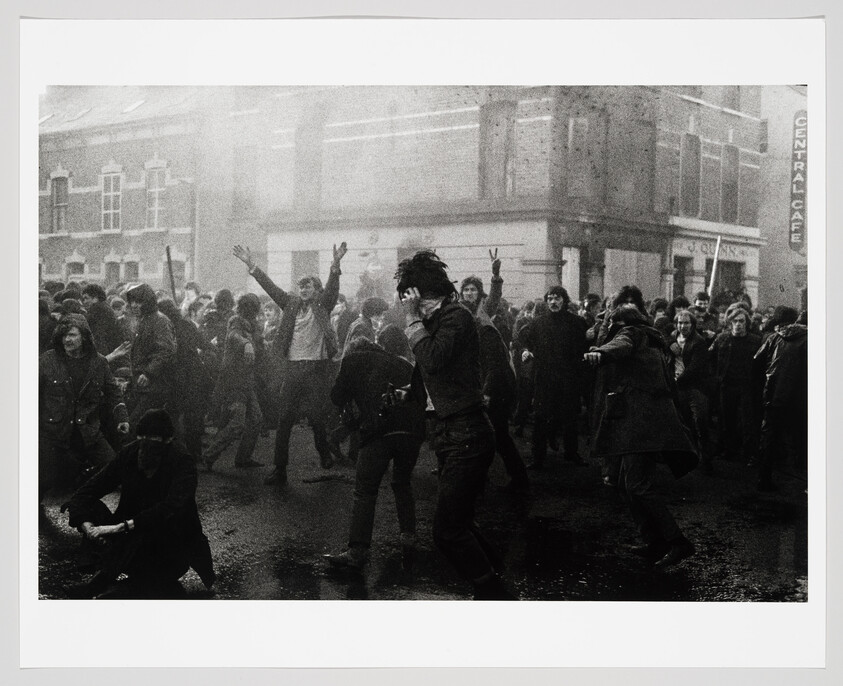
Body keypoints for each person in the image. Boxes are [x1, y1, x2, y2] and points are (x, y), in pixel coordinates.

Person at [396, 250, 516, 600]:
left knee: (447, 531)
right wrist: (410, 393)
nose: (414, 308)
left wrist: (412, 319)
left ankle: (492, 592)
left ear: (428, 295)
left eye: (416, 301)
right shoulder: (437, 320)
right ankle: (494, 579)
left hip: (467, 432)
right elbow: (433, 373)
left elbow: (433, 358)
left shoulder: (457, 316)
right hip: (450, 431)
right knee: (460, 522)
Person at [585, 304, 698, 569]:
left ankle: (678, 542)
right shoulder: (652, 338)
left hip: (641, 423)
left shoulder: (631, 333)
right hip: (647, 421)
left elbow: (620, 345)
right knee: (628, 485)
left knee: (637, 485)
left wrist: (600, 352)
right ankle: (654, 541)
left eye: (610, 323)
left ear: (620, 323)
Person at [62, 409, 215, 599]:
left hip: (170, 549)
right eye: (142, 438)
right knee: (91, 508)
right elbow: (90, 489)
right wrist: (88, 526)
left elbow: (171, 507)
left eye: (153, 439)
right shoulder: (130, 453)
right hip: (129, 545)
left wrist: (118, 527)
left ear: (168, 440)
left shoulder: (181, 460)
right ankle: (113, 577)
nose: (146, 445)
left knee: (145, 526)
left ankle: (100, 585)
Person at [234, 242, 347, 486]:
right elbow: (271, 287)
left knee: (316, 415)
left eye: (308, 286)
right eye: (301, 286)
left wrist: (335, 264)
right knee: (284, 418)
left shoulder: (323, 304)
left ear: (317, 290)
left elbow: (332, 288)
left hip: (316, 368)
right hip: (293, 368)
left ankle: (324, 451)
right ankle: (280, 469)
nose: (303, 289)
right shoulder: (290, 304)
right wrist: (251, 265)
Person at [323, 336, 425, 570]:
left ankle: (357, 551)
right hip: (412, 431)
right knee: (402, 482)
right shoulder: (402, 363)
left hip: (379, 431)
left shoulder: (352, 360)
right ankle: (408, 536)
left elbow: (336, 396)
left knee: (365, 490)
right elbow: (418, 394)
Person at [39, 314, 130, 502]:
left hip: (87, 431)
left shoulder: (98, 362)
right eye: (64, 335)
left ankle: (84, 484)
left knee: (115, 469)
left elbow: (113, 392)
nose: (67, 339)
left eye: (72, 335)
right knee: (47, 483)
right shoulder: (47, 360)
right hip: (54, 433)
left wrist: (122, 418)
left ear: (84, 337)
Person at [520, 286, 588, 469]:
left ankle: (572, 453)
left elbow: (584, 348)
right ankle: (538, 457)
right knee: (540, 418)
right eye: (550, 298)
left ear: (564, 300)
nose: (553, 302)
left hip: (568, 378)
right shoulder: (538, 323)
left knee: (570, 418)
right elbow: (527, 343)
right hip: (545, 378)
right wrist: (526, 351)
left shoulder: (577, 322)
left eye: (557, 298)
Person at [202, 293, 265, 471]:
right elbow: (233, 336)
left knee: (256, 419)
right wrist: (246, 344)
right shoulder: (236, 321)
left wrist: (260, 344)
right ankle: (209, 456)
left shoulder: (253, 325)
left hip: (247, 381)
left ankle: (243, 458)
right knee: (238, 423)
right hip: (234, 381)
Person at [753, 306, 807, 491]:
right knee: (801, 438)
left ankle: (763, 478)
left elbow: (757, 361)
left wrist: (765, 383)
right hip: (799, 398)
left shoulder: (774, 338)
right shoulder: (808, 339)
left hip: (773, 395)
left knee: (769, 437)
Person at [708, 303, 762, 465]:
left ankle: (750, 454)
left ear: (747, 323)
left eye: (741, 321)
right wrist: (717, 377)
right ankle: (728, 450)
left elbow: (761, 365)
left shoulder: (755, 341)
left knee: (747, 421)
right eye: (735, 321)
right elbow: (710, 358)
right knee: (726, 418)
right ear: (730, 323)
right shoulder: (722, 338)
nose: (738, 324)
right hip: (727, 384)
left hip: (747, 385)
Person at [124, 283, 177, 430]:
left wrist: (149, 373)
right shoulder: (144, 320)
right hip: (143, 385)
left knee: (136, 425)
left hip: (154, 385)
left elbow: (166, 350)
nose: (134, 305)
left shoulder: (159, 321)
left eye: (138, 301)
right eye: (132, 301)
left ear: (147, 302)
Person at [668, 310, 713, 474]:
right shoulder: (673, 337)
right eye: (680, 323)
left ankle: (706, 459)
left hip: (695, 387)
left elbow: (695, 368)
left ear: (692, 324)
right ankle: (692, 457)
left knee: (700, 421)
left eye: (686, 323)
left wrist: (676, 381)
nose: (683, 326)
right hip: (679, 387)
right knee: (685, 423)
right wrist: (669, 344)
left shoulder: (698, 342)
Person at [81, 283, 127, 357]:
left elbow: (99, 338)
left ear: (95, 298)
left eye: (86, 298)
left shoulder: (96, 311)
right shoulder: (105, 308)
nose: (84, 301)